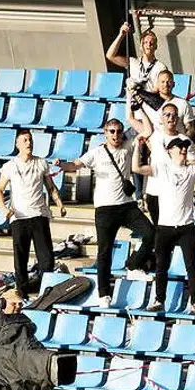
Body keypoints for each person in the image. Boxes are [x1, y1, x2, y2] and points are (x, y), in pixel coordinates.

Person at [58, 119, 154, 308]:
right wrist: (62, 165)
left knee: (151, 233)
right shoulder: (97, 152)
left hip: (127, 205)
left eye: (118, 131)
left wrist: (134, 100)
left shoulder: (127, 144)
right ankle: (104, 294)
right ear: (105, 132)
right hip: (105, 208)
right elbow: (76, 165)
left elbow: (147, 129)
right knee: (105, 251)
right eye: (112, 131)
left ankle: (133, 265)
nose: (116, 135)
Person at [133, 134, 195, 314]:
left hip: (186, 227)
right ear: (170, 151)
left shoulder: (192, 170)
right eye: (179, 147)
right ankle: (159, 300)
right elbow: (136, 167)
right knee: (161, 266)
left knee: (191, 266)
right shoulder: (162, 168)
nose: (183, 150)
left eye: (185, 147)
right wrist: (138, 146)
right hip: (165, 227)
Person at [0, 129, 65, 299]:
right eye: (25, 140)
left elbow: (51, 187)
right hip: (19, 217)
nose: (28, 143)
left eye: (30, 139)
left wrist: (60, 204)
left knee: (46, 258)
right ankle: (22, 293)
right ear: (18, 144)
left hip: (39, 215)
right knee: (21, 258)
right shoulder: (10, 166)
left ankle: (46, 292)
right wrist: (4, 209)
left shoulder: (41, 163)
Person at [130, 100, 195, 226]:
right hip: (154, 192)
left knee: (172, 231)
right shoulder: (154, 135)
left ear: (178, 118)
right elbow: (131, 119)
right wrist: (132, 101)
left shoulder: (185, 141)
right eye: (167, 115)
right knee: (159, 231)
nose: (171, 118)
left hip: (174, 194)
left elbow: (194, 166)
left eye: (174, 115)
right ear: (161, 117)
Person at [105, 23, 168, 92]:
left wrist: (138, 90)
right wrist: (121, 35)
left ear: (156, 47)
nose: (148, 45)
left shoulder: (161, 67)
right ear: (141, 46)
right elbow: (110, 56)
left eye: (151, 43)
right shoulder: (132, 62)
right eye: (145, 42)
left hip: (149, 100)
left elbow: (157, 90)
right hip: (132, 99)